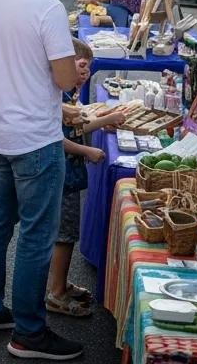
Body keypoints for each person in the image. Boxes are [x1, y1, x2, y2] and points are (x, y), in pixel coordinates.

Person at [0, 0, 81, 361]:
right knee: (37, 234)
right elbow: (65, 79)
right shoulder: (49, 8)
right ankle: (30, 332)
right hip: (35, 137)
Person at [46, 39, 125, 319]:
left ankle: (60, 283)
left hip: (68, 174)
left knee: (66, 232)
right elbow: (58, 139)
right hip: (64, 174)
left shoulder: (67, 95)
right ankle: (55, 293)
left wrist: (105, 120)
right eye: (81, 66)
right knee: (65, 234)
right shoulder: (59, 97)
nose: (86, 72)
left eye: (89, 67)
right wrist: (87, 150)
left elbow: (78, 125)